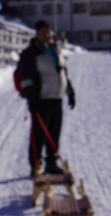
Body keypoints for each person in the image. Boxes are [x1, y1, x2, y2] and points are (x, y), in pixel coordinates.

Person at [16, 21, 76, 176]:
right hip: (41, 100)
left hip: (57, 99)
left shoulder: (55, 49)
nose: (46, 35)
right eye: (43, 32)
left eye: (48, 32)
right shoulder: (31, 53)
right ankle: (36, 166)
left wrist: (70, 91)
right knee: (38, 136)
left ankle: (51, 163)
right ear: (37, 34)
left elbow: (62, 72)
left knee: (54, 134)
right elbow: (26, 77)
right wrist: (31, 98)